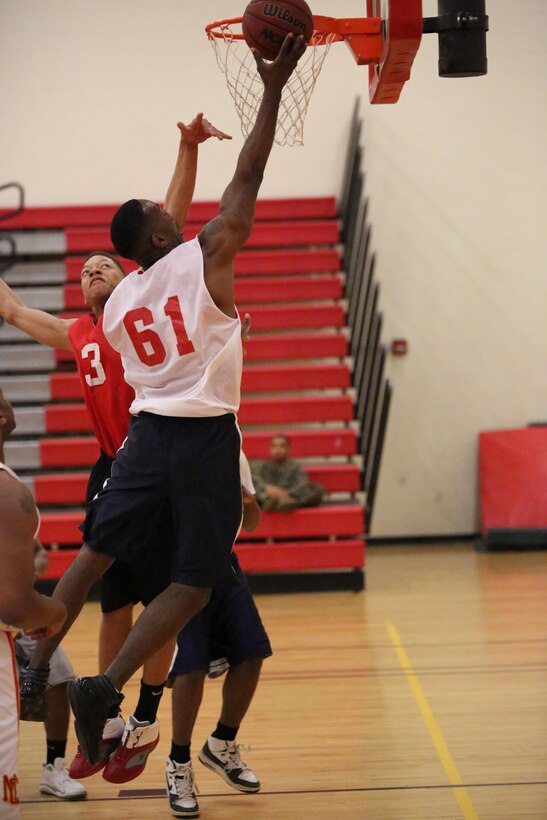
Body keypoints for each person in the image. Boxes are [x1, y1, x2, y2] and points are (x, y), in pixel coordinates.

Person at [22, 33, 307, 768]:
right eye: (162, 211)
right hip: (204, 438)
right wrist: (272, 86)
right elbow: (249, 172)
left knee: (94, 551)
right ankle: (107, 685)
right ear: (159, 231)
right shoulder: (205, 254)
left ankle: (35, 651)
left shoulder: (115, 309)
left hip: (143, 439)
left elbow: (153, 238)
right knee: (195, 581)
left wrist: (180, 161)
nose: (170, 209)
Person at [0, 114, 231, 783]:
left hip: (169, 454)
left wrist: (185, 150)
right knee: (110, 593)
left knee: (166, 589)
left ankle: (142, 709)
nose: (94, 268)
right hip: (123, 468)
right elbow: (13, 311)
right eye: (85, 269)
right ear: (81, 294)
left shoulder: (145, 296)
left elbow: (173, 218)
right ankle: (98, 705)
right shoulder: (77, 333)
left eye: (105, 260)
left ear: (127, 269)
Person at [166, 451, 271, 817]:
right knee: (190, 668)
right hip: (178, 567)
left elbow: (253, 522)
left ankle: (222, 743)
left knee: (252, 652)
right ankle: (178, 764)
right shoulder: (164, 443)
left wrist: (248, 500)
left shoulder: (232, 450)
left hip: (225, 563)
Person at [0, 388, 67, 819]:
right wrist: (56, 613)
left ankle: (54, 765)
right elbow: (15, 607)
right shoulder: (9, 492)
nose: (9, 399)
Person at [251, 433, 324, 512]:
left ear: (288, 448)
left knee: (317, 489)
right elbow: (254, 481)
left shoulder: (295, 467)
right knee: (248, 490)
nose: (277, 450)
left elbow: (302, 484)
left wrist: (287, 494)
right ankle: (270, 503)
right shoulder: (262, 466)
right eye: (274, 446)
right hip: (267, 496)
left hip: (289, 496)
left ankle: (287, 503)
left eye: (282, 446)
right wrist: (266, 488)